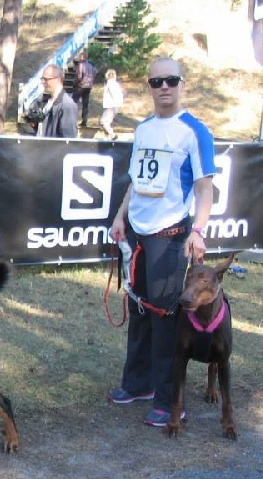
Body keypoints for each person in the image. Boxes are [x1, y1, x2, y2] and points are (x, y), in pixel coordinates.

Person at [108, 57, 216, 428]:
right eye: (156, 82)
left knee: (165, 318)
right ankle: (138, 384)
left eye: (171, 80)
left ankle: (171, 401)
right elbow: (136, 182)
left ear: (182, 84)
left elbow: (205, 190)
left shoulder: (194, 132)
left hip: (170, 236)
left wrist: (198, 231)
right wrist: (121, 216)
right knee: (138, 310)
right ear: (149, 86)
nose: (164, 87)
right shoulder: (143, 130)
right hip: (138, 232)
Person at [37, 64, 78, 138]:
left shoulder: (67, 106)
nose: (43, 83)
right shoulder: (48, 102)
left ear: (58, 80)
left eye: (46, 79)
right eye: (42, 79)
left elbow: (68, 141)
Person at [72, 51, 96, 127]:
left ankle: (72, 120)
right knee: (85, 105)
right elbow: (95, 73)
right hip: (88, 86)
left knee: (73, 102)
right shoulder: (91, 65)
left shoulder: (81, 65)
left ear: (83, 57)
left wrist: (76, 83)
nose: (79, 58)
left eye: (80, 57)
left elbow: (79, 77)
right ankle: (84, 121)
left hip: (81, 86)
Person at [100, 68, 124, 141]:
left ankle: (113, 135)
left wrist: (117, 104)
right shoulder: (115, 84)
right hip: (113, 106)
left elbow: (115, 94)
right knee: (107, 122)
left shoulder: (111, 83)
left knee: (104, 122)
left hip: (111, 106)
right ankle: (109, 137)